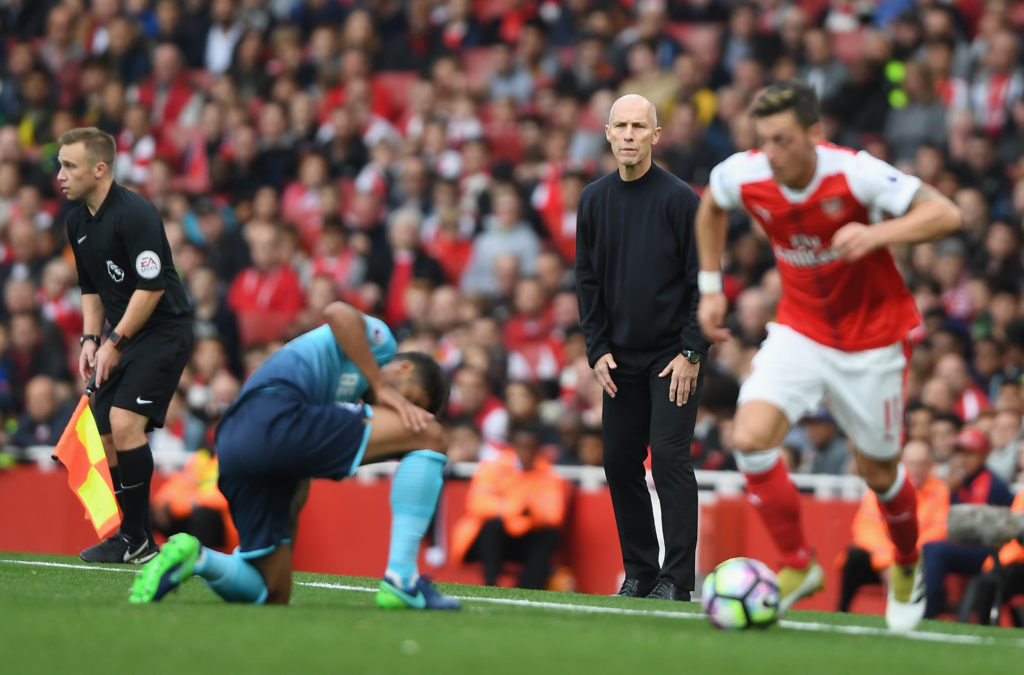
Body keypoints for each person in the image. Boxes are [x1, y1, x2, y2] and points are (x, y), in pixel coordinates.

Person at [695, 80, 962, 631]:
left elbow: (947, 214)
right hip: (799, 330)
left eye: (784, 140)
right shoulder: (744, 172)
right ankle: (797, 564)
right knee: (748, 439)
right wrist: (710, 284)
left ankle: (907, 562)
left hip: (872, 343)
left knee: (880, 473)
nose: (772, 153)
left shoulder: (855, 172)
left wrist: (878, 233)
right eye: (763, 140)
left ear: (814, 135)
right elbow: (711, 208)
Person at [129, 301, 460, 610]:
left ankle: (197, 557)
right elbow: (337, 311)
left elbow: (301, 470)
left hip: (237, 441)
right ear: (402, 368)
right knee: (429, 434)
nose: (405, 414)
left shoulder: (340, 403)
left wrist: (284, 524)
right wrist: (384, 388)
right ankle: (403, 578)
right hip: (271, 412)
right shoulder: (382, 345)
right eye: (411, 401)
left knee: (271, 591)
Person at [575, 93, 707, 601]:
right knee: (617, 460)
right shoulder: (593, 199)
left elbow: (704, 280)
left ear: (656, 136)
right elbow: (586, 280)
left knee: (670, 460)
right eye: (620, 126)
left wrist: (692, 351)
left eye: (639, 126)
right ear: (608, 134)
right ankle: (640, 572)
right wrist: (596, 347)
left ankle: (676, 580)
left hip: (673, 355)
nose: (628, 135)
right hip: (619, 356)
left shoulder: (680, 200)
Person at [59, 127, 194, 564]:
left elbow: (151, 289)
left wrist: (114, 341)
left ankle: (141, 539)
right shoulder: (76, 220)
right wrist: (90, 338)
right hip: (126, 334)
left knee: (123, 421)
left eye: (69, 166)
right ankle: (131, 537)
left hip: (163, 330)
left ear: (100, 169)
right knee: (102, 429)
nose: (60, 175)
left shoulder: (136, 213)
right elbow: (91, 288)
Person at [451, 423, 568, 589]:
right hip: (485, 540)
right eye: (522, 447)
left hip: (525, 536)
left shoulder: (550, 476)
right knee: (493, 526)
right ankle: (491, 585)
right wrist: (515, 508)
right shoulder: (492, 468)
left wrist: (528, 513)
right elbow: (476, 503)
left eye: (531, 448)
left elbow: (554, 516)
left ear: (538, 449)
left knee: (549, 535)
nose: (526, 453)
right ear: (514, 447)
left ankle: (528, 589)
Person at [838, 439, 949, 612]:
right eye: (912, 463)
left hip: (916, 558)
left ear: (930, 465)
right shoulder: (883, 487)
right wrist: (887, 561)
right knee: (854, 556)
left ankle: (928, 615)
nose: (917, 469)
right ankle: (842, 610)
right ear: (902, 463)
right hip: (882, 560)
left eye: (922, 463)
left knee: (934, 557)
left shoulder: (939, 490)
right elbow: (866, 527)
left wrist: (906, 555)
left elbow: (939, 529)